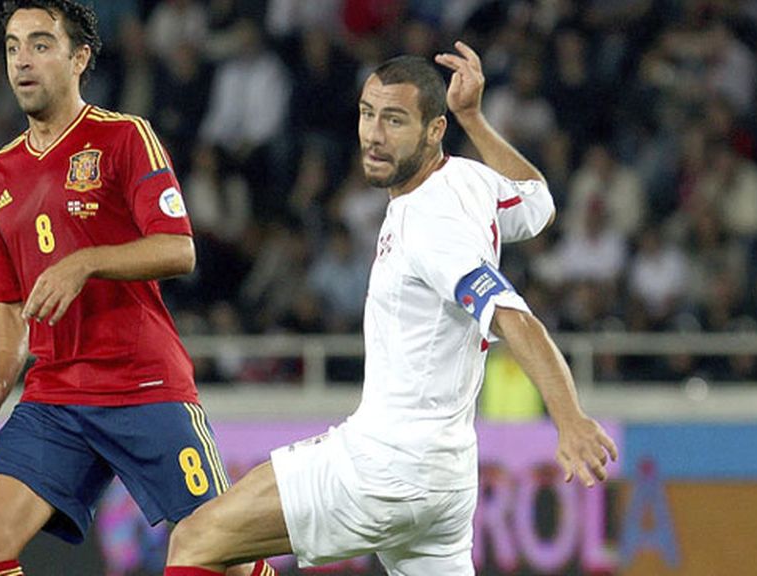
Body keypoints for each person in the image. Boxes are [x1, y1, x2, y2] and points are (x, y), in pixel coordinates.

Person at [163, 43, 618, 576]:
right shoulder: (469, 179)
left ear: (433, 131)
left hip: (386, 467)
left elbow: (513, 316)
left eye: (395, 120)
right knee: (224, 546)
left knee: (196, 540)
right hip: (444, 479)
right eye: (367, 113)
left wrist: (570, 420)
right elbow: (537, 201)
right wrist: (474, 116)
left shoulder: (430, 225)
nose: (374, 135)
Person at [0, 3, 274, 576]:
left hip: (142, 381)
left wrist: (85, 263)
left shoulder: (124, 137)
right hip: (55, 393)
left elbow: (179, 249)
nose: (22, 60)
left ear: (80, 58)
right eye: (12, 47)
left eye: (41, 44)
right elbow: (8, 304)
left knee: (221, 550)